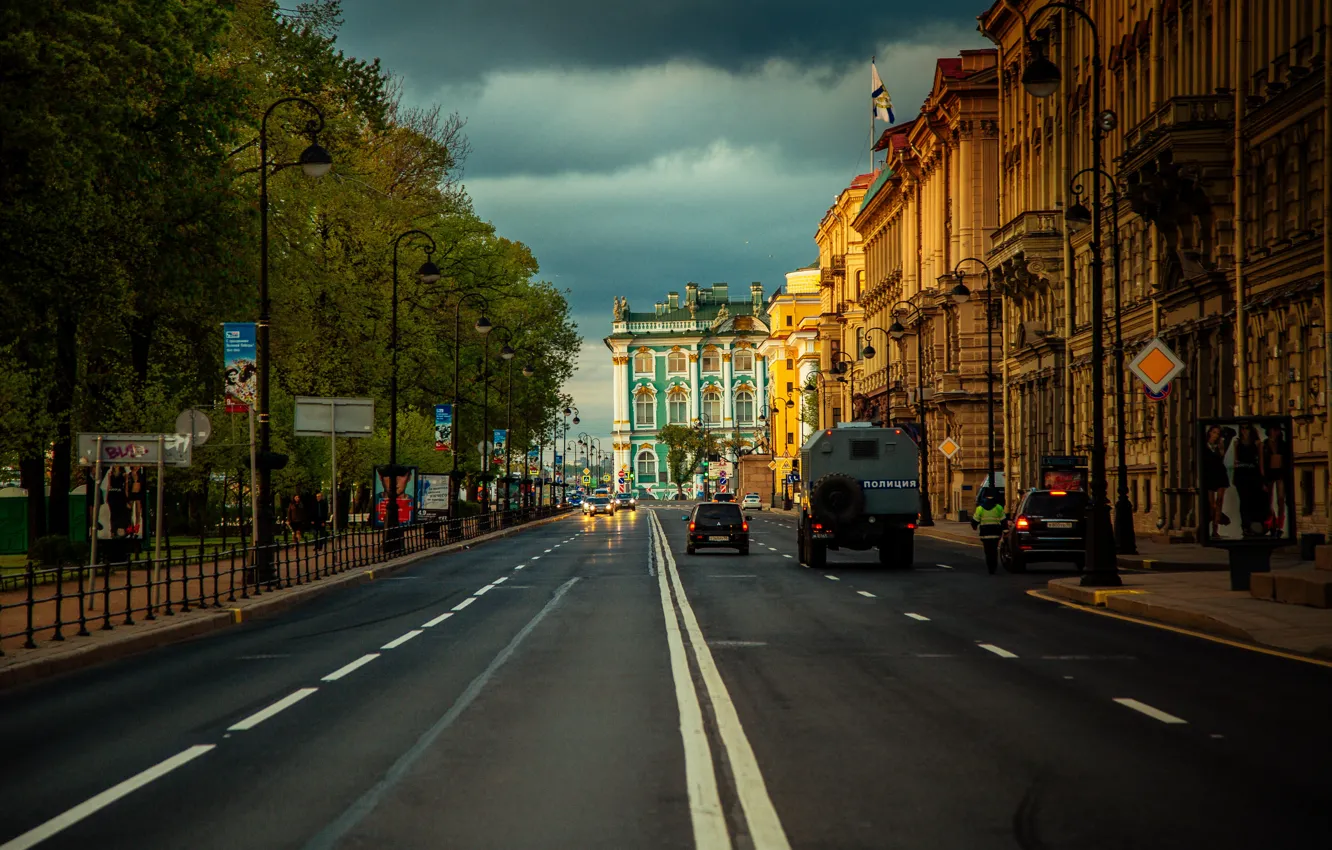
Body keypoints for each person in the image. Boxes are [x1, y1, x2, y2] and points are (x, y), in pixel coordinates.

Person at [1232, 424, 1267, 536]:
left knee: (1254, 500)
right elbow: (1235, 462)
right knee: (1244, 501)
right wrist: (1234, 477)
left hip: (1253, 473)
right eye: (1242, 428)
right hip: (1241, 474)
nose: (1244, 431)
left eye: (1246, 428)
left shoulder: (1257, 443)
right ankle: (1245, 526)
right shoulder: (1237, 443)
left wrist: (1263, 479)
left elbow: (1261, 463)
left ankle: (1254, 525)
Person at [1202, 425, 1234, 537]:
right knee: (1212, 504)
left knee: (1219, 501)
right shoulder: (1204, 445)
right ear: (1210, 432)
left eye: (1218, 433)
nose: (1216, 435)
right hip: (1209, 475)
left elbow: (1231, 432)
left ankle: (1215, 530)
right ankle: (1217, 519)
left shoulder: (1220, 445)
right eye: (1214, 432)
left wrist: (1221, 447)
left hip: (1220, 474)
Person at [972, 488, 1007, 575]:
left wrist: (974, 526)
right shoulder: (998, 507)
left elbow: (975, 520)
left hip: (985, 533)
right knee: (994, 550)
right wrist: (1005, 530)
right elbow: (1003, 521)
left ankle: (990, 568)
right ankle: (994, 566)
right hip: (995, 533)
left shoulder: (980, 508)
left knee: (987, 551)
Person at [1263, 424, 1288, 536]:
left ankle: (1279, 524)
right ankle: (1271, 522)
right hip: (1269, 473)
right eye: (1273, 430)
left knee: (1281, 499)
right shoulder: (1265, 444)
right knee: (1268, 500)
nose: (1275, 432)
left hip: (1280, 473)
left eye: (1277, 430)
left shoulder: (1282, 444)